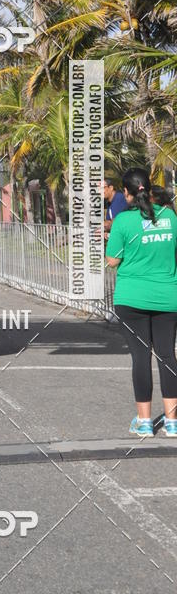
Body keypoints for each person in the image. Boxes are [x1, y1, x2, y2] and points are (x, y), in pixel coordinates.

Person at [106, 168, 177, 437]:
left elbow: (112, 260)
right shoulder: (169, 217)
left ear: (126, 193)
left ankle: (145, 421)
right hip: (168, 297)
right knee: (168, 356)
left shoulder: (124, 221)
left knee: (141, 357)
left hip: (132, 298)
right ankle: (172, 422)